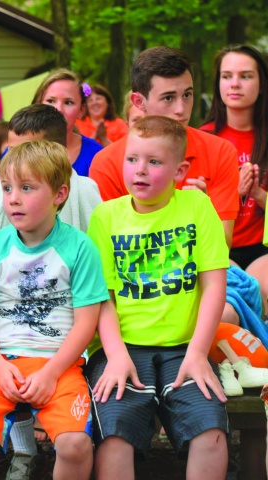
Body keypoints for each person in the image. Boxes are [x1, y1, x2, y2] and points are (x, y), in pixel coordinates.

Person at [86, 115, 230, 480]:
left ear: (180, 170)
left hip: (186, 347)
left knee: (210, 434)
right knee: (116, 436)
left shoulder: (197, 208)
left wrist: (199, 353)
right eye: (132, 159)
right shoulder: (106, 217)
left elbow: (214, 284)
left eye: (154, 162)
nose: (140, 170)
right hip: (122, 347)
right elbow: (103, 298)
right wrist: (116, 356)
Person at [0, 140, 108, 480]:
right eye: (7, 188)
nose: (13, 198)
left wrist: (52, 372)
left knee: (74, 446)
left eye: (27, 188)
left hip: (60, 365)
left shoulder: (80, 247)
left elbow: (87, 321)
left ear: (59, 194)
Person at [89, 46, 239, 247]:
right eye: (168, 98)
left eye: (187, 95)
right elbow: (112, 247)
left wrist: (204, 212)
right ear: (139, 101)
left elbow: (223, 244)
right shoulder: (106, 163)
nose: (181, 109)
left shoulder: (220, 151)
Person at [201, 45, 268, 309]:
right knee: (235, 295)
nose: (235, 84)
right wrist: (233, 193)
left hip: (261, 247)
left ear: (261, 84)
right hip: (215, 249)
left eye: (246, 76)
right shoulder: (201, 138)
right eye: (226, 76)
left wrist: (259, 195)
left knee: (260, 290)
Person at [0, 104, 102, 240]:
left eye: (27, 150)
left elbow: (96, 241)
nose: (16, 157)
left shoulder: (84, 189)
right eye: (11, 150)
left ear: (57, 151)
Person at [32, 69, 103, 176]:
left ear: (81, 110)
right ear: (38, 104)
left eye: (68, 102)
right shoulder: (18, 146)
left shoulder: (96, 155)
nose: (58, 109)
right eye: (51, 101)